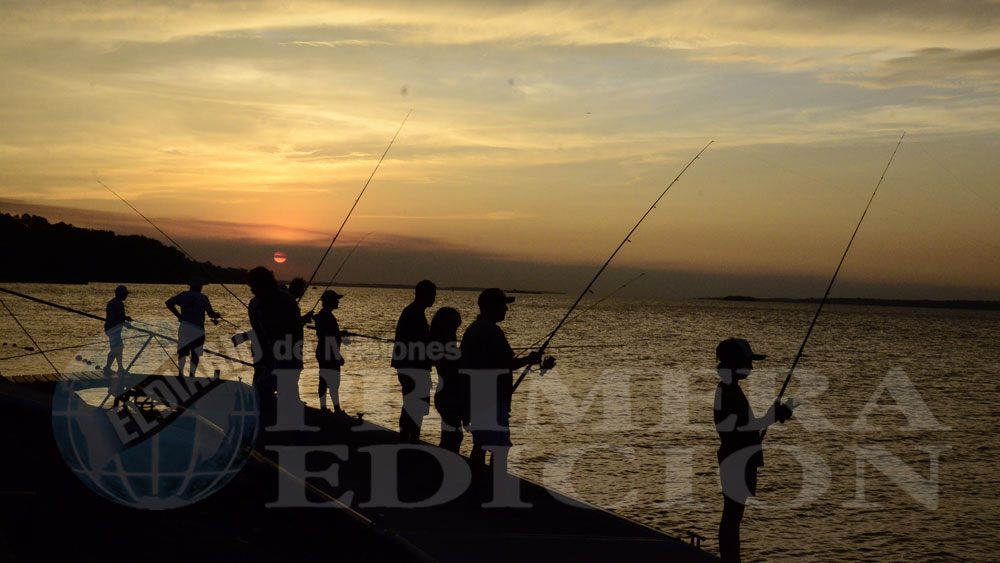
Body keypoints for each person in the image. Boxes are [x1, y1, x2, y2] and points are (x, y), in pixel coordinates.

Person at [461, 288, 551, 497]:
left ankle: (476, 489)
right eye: (502, 305)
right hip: (491, 399)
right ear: (489, 306)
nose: (506, 310)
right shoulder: (491, 331)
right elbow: (505, 363)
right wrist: (529, 359)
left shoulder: (474, 329)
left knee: (481, 444)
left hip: (478, 395)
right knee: (499, 447)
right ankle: (496, 491)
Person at [714, 338, 796, 563]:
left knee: (733, 517)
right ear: (734, 363)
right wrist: (772, 416)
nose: (751, 366)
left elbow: (744, 427)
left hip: (738, 458)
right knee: (732, 517)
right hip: (737, 460)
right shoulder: (729, 392)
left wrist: (771, 417)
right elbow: (739, 429)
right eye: (747, 362)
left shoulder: (729, 389)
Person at [246, 266, 305, 428]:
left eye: (254, 287)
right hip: (279, 359)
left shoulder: (278, 303)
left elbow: (283, 333)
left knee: (265, 393)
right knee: (275, 394)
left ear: (263, 285)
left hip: (283, 361)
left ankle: (272, 428)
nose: (252, 291)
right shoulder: (271, 301)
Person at [391, 280, 436, 443]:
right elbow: (419, 343)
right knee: (414, 405)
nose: (434, 298)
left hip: (409, 366)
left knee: (411, 405)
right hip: (414, 368)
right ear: (424, 295)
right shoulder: (415, 314)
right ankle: (410, 439)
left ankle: (407, 438)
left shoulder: (413, 312)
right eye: (433, 295)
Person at [165, 279, 222, 377]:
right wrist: (217, 315)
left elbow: (168, 303)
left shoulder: (183, 295)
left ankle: (180, 374)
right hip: (198, 329)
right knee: (195, 354)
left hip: (185, 328)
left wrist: (178, 315)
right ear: (199, 287)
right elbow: (210, 314)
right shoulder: (203, 298)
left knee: (182, 353)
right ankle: (192, 375)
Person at [429, 307, 465, 453]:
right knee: (454, 436)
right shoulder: (442, 344)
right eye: (454, 325)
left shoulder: (442, 343)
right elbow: (454, 366)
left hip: (446, 394)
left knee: (450, 435)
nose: (455, 329)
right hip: (448, 395)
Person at [311, 290, 349, 412]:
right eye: (336, 300)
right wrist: (338, 356)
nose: (338, 302)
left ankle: (324, 408)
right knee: (333, 382)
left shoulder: (323, 315)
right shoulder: (328, 317)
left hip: (323, 351)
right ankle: (336, 409)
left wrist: (340, 334)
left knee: (324, 380)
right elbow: (329, 338)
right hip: (329, 353)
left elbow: (328, 334)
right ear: (330, 302)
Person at [102, 284, 133, 376]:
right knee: (116, 348)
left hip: (109, 328)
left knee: (117, 348)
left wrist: (125, 321)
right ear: (121, 294)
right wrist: (126, 319)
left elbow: (117, 317)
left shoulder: (111, 302)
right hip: (114, 329)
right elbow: (120, 317)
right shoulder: (119, 304)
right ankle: (110, 367)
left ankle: (118, 368)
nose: (126, 296)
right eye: (125, 294)